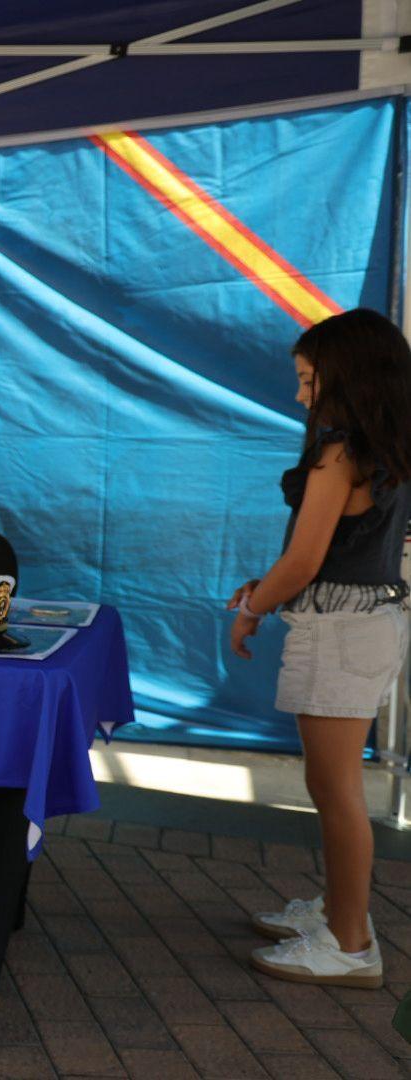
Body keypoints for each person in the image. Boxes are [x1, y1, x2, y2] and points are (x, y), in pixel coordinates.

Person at [230, 308, 411, 988]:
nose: (301, 395)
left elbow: (304, 562)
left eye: (309, 380)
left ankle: (349, 941)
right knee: (331, 785)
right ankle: (339, 911)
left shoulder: (339, 454)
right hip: (365, 622)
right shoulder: (385, 446)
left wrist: (252, 606)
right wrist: (269, 588)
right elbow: (339, 552)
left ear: (347, 378)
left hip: (341, 631)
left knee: (335, 790)